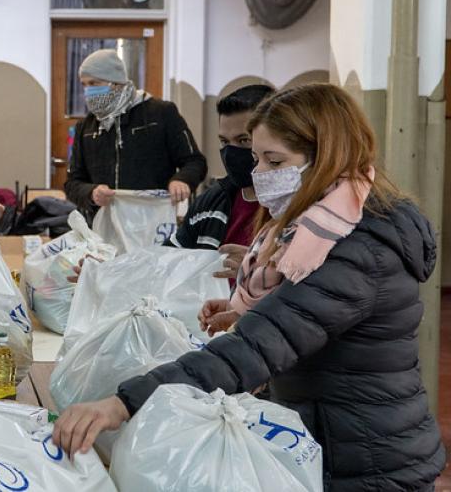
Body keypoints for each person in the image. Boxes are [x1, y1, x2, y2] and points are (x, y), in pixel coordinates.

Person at [53, 84, 445, 491]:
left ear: (326, 156)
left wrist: (124, 403)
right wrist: (247, 311)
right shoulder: (311, 232)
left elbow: (258, 347)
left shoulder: (355, 248)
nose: (259, 174)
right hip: (332, 442)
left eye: (274, 161)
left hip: (369, 463)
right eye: (256, 158)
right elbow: (298, 323)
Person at [64, 49, 207, 218]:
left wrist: (182, 180)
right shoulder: (86, 127)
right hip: (102, 226)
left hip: (152, 223)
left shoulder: (161, 114)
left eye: (94, 84)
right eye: (84, 84)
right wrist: (91, 193)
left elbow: (194, 162)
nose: (87, 91)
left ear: (116, 84)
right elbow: (72, 183)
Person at [171, 84, 273, 280]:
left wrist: (261, 270)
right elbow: (171, 259)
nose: (231, 152)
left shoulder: (292, 207)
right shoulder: (210, 203)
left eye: (244, 140)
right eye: (225, 142)